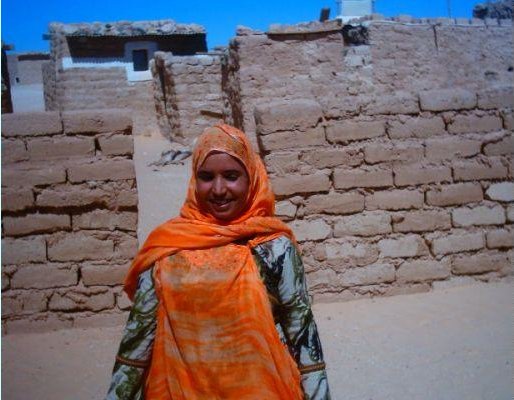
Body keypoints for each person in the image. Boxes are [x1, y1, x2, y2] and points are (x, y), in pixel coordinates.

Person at [106, 123, 331, 399]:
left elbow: (302, 332)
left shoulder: (274, 248)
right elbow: (137, 343)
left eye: (231, 175)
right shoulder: (167, 248)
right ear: (193, 180)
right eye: (206, 177)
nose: (219, 189)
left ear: (252, 178)